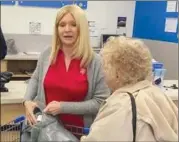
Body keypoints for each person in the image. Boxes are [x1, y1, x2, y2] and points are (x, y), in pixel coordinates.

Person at [22, 4, 110, 140]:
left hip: (78, 132)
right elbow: (35, 79)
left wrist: (63, 107)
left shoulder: (95, 61)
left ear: (82, 28)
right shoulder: (48, 54)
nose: (67, 30)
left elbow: (100, 101)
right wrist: (27, 100)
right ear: (57, 29)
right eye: (62, 25)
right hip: (46, 129)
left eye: (73, 24)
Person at [81, 36, 178, 141]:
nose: (103, 72)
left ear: (116, 72)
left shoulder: (120, 106)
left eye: (105, 67)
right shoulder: (158, 94)